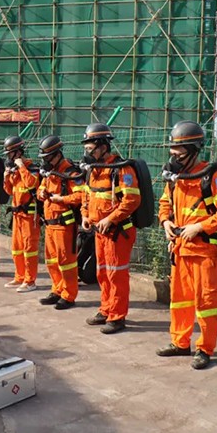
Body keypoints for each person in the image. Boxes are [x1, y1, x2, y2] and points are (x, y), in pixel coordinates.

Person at [156, 120, 217, 369]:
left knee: (206, 304)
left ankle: (204, 348)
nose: (173, 156)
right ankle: (180, 342)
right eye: (171, 151)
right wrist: (165, 222)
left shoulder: (212, 176)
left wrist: (199, 227)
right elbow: (164, 204)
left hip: (204, 252)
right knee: (179, 300)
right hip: (180, 250)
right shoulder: (175, 177)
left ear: (192, 150)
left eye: (178, 152)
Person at [80, 123, 141, 334]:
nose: (87, 152)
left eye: (90, 148)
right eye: (86, 148)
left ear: (103, 147)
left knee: (117, 275)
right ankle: (106, 309)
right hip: (100, 232)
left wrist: (110, 219)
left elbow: (132, 200)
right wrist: (85, 215)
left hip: (118, 233)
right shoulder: (93, 171)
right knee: (103, 273)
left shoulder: (121, 169)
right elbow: (86, 196)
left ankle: (117, 316)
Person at [36, 134, 85, 310]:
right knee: (51, 261)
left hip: (64, 226)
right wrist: (41, 193)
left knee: (67, 262)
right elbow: (40, 188)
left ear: (57, 154)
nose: (45, 161)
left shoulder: (71, 173)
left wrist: (61, 199)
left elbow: (80, 195)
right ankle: (57, 290)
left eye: (48, 157)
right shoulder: (49, 173)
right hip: (50, 225)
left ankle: (68, 295)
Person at [2, 135, 40, 293]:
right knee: (17, 249)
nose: (9, 158)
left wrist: (22, 167)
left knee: (29, 249)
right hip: (17, 216)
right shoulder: (15, 170)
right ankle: (20, 276)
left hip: (29, 217)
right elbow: (10, 191)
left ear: (18, 153)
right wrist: (6, 178)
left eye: (10, 154)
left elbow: (31, 184)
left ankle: (30, 281)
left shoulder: (32, 168)